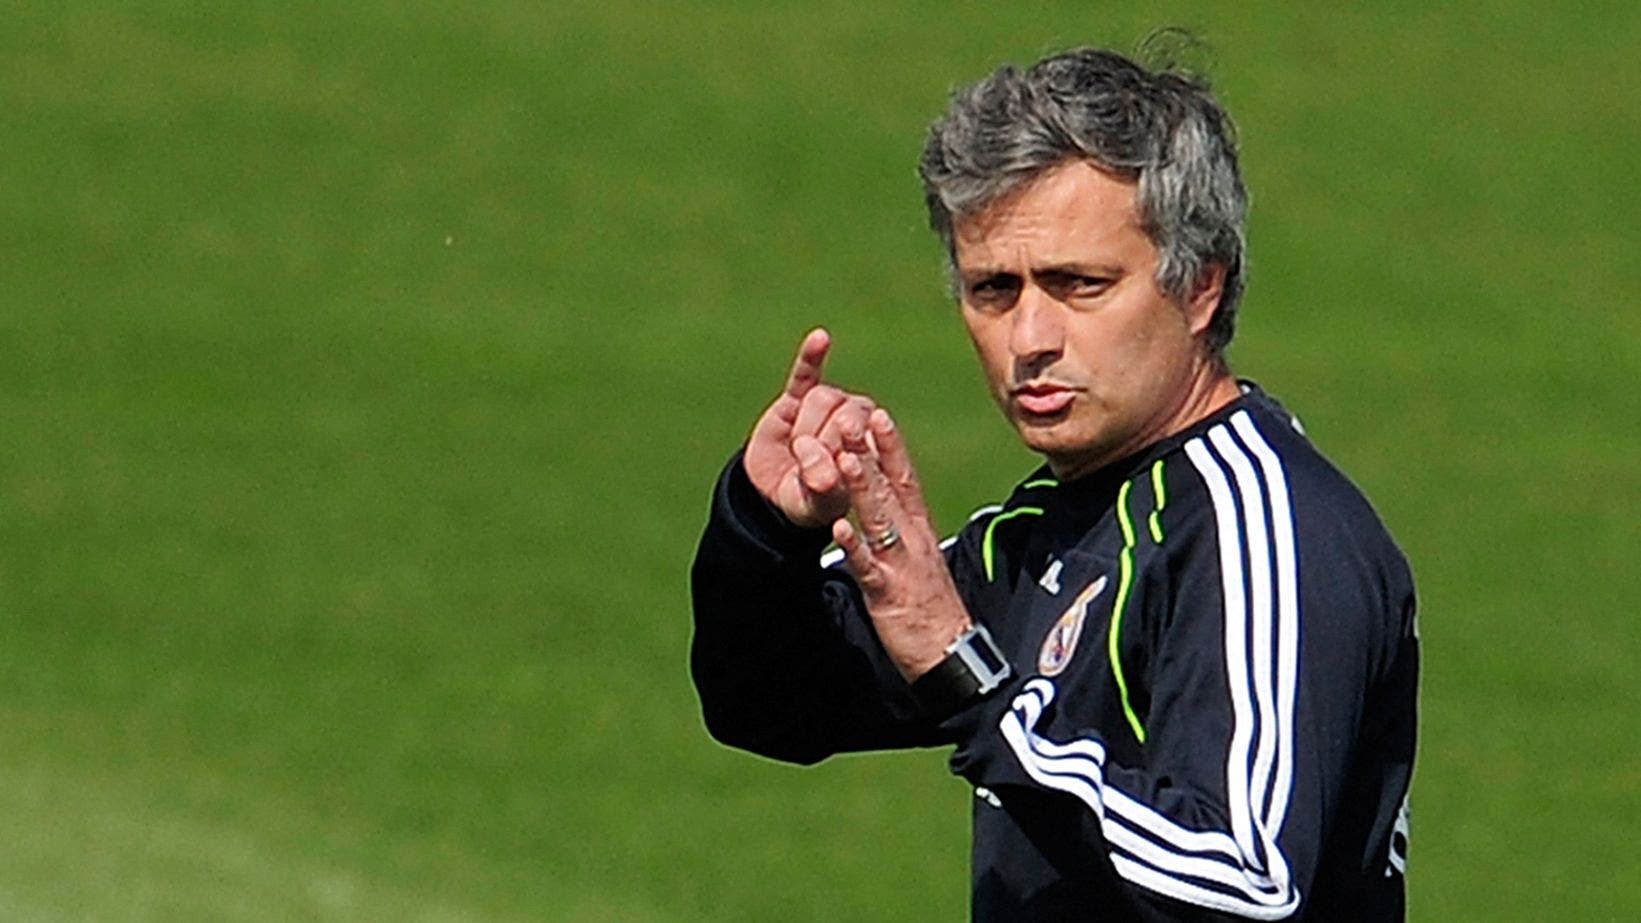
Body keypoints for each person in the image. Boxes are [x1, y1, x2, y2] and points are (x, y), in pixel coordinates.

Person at [690, 45, 1417, 922]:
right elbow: (768, 704)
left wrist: (970, 680)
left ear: (1198, 288)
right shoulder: (1042, 533)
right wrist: (764, 526)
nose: (1029, 336)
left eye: (1079, 284)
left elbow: (1244, 882)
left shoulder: (1260, 528)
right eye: (993, 289)